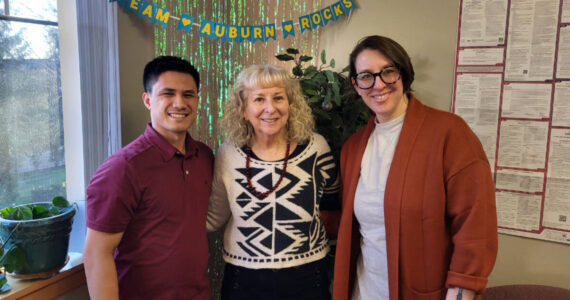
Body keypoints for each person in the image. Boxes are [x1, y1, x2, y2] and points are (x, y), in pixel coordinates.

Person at [332, 35, 498, 300]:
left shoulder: (449, 133)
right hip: (363, 292)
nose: (378, 85)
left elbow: (476, 226)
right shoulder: (353, 149)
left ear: (403, 73)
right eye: (366, 76)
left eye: (388, 72)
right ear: (356, 84)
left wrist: (461, 293)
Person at [83, 56, 214, 300]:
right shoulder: (123, 168)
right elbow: (96, 253)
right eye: (168, 93)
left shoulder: (204, 157)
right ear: (147, 99)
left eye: (188, 94)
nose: (179, 103)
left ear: (197, 100)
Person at [207, 64, 339, 300]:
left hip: (308, 277)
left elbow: (333, 203)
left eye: (278, 97)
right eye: (258, 99)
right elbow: (214, 217)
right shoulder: (227, 155)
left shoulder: (318, 148)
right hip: (244, 280)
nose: (270, 108)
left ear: (290, 104)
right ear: (243, 110)